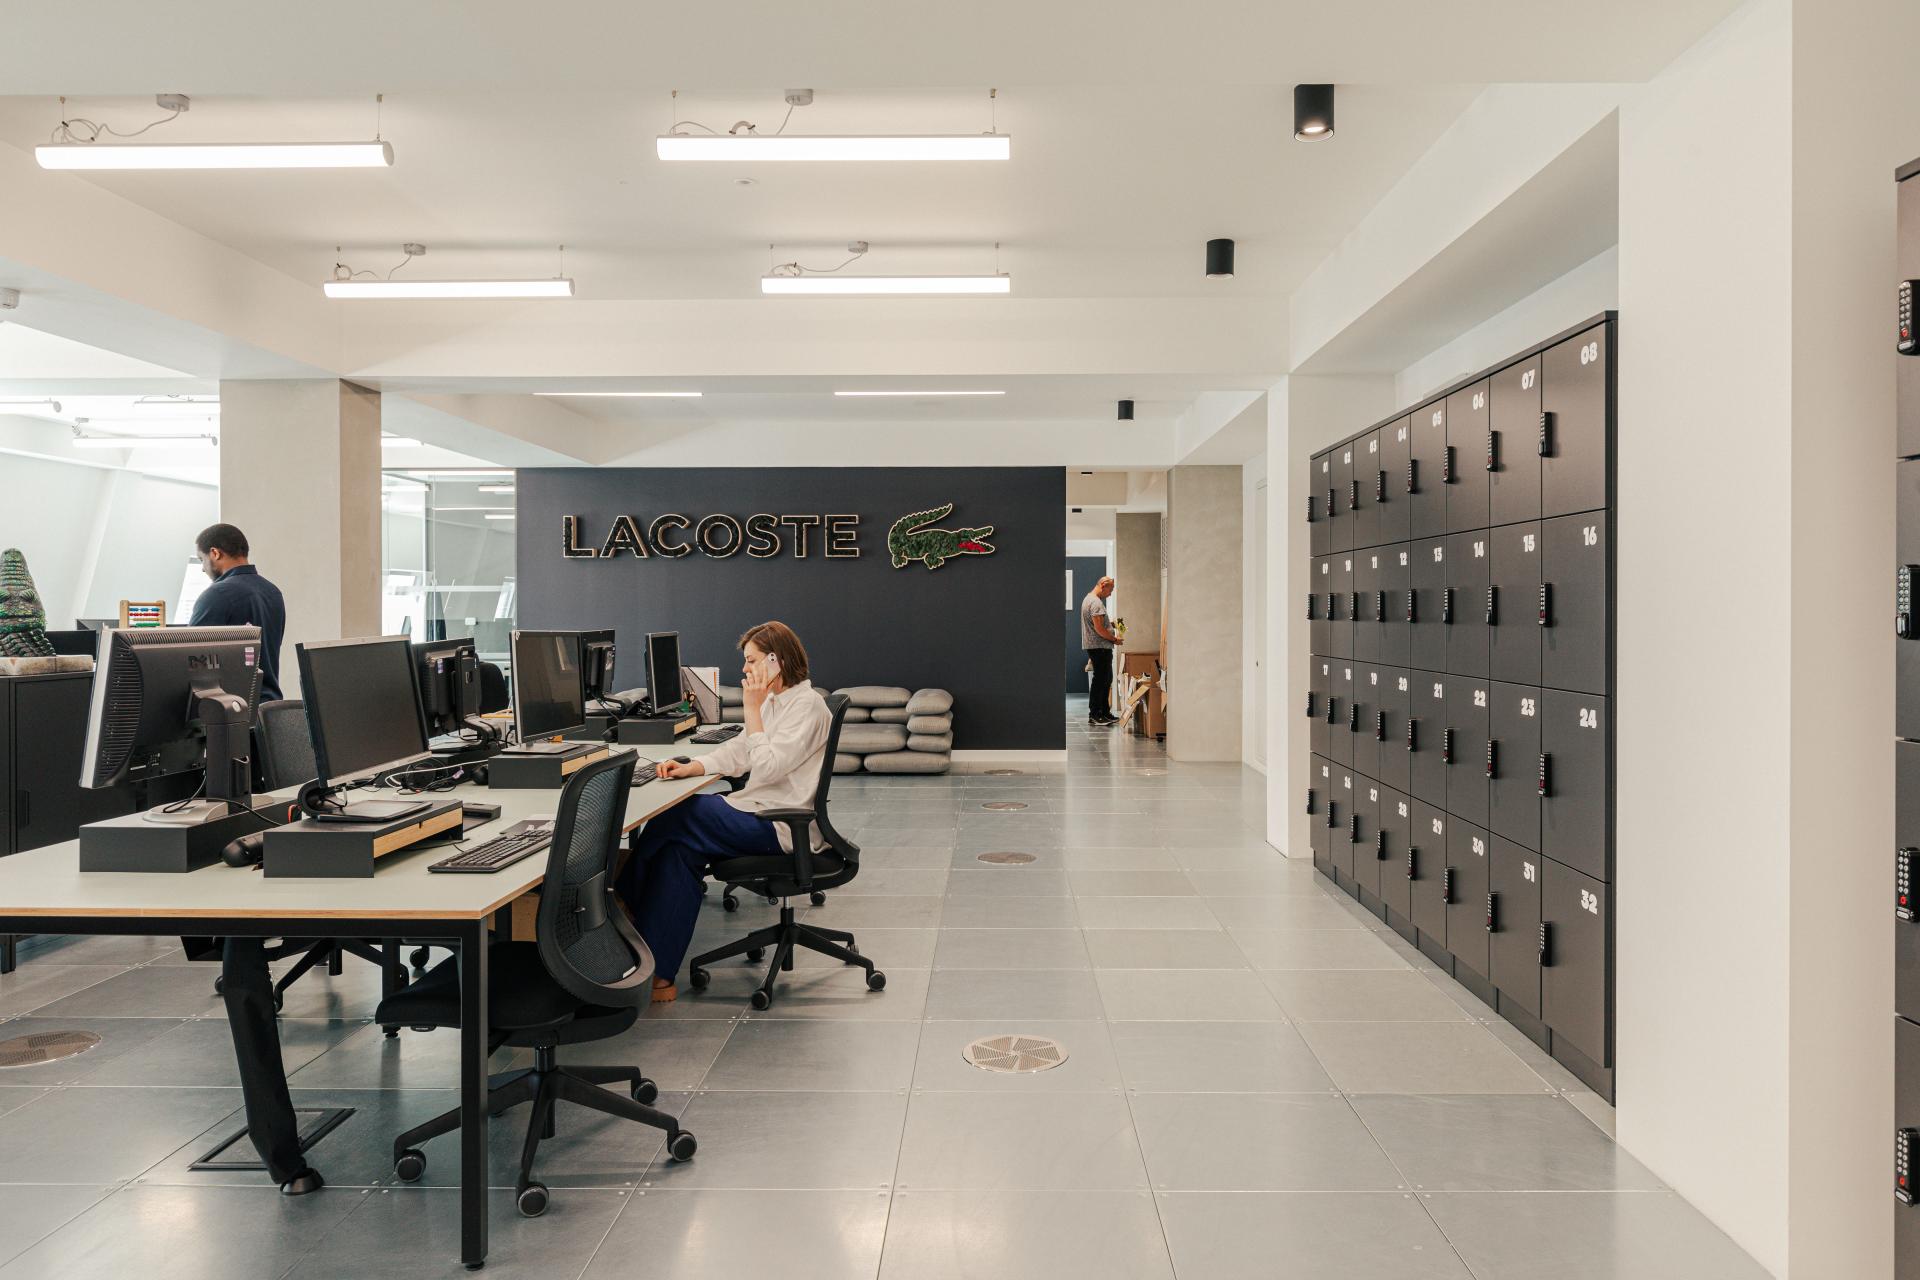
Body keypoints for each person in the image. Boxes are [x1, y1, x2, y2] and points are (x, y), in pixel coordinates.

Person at [616, 620, 830, 1002]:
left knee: (679, 811)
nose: (745, 670)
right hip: (754, 811)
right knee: (678, 854)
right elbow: (741, 751)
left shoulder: (807, 706)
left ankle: (623, 900)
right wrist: (695, 766)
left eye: (751, 661)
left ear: (776, 661)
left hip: (778, 825)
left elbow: (765, 766)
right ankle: (657, 977)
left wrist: (751, 708)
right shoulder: (775, 701)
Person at [189, 523, 287, 702]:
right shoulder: (273, 592)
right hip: (269, 712)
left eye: (201, 559)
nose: (203, 568)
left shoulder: (216, 595)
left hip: (233, 713)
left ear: (215, 553)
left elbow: (191, 661)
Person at [1080, 576, 1120, 725]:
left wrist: (1111, 625)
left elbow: (1098, 624)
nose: (1110, 594)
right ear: (1103, 585)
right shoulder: (1096, 603)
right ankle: (1095, 714)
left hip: (1097, 647)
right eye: (1111, 589)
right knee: (1101, 681)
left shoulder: (1088, 599)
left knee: (1105, 679)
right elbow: (1099, 629)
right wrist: (1115, 639)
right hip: (1100, 647)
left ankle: (1104, 712)